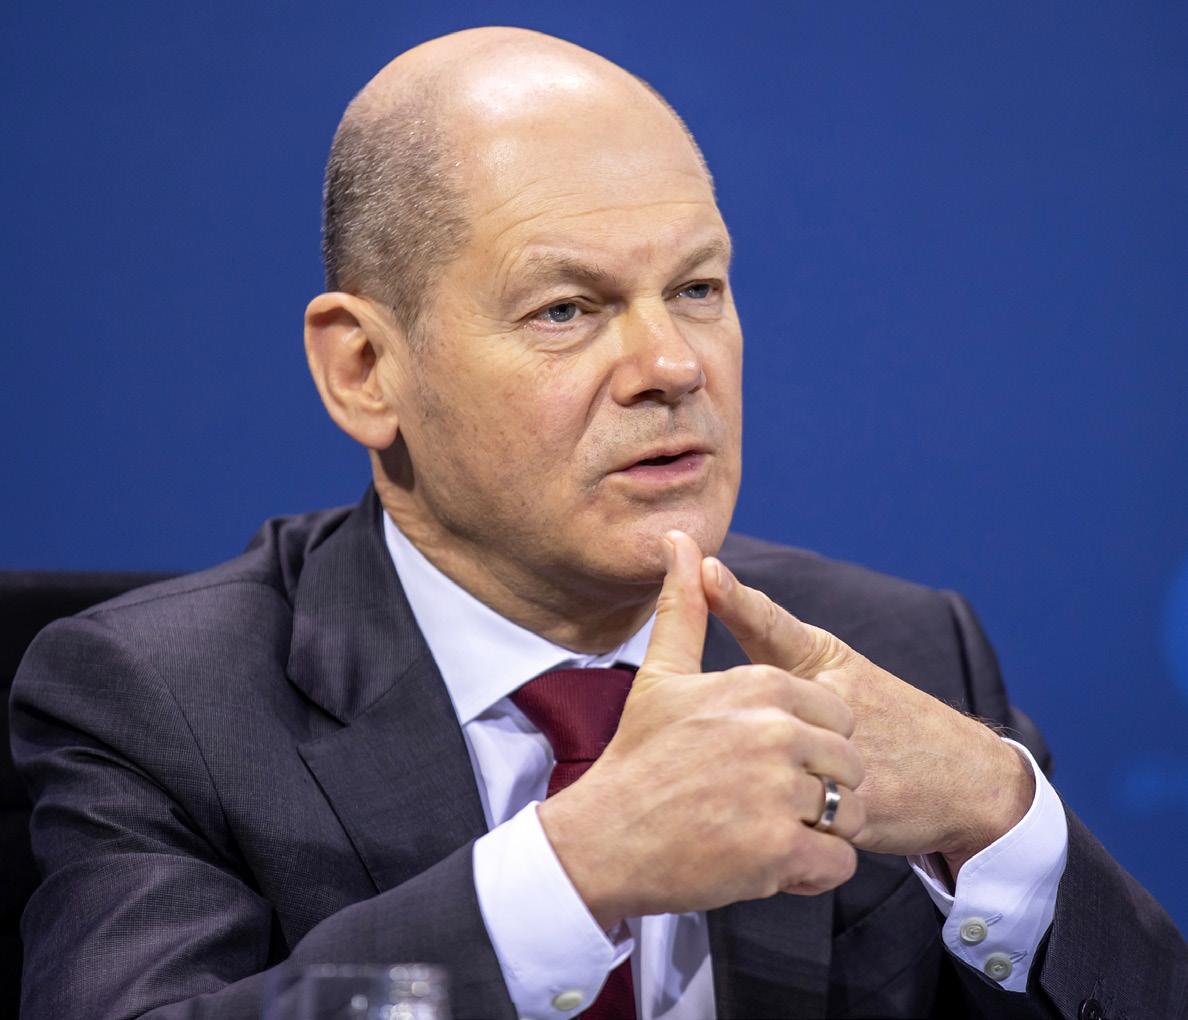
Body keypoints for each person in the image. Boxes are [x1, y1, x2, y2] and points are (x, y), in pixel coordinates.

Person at [11, 26, 1186, 1020]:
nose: (672, 365)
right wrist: (573, 872)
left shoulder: (901, 648)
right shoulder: (163, 705)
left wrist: (1002, 820)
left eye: (697, 288)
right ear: (365, 369)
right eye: (567, 309)